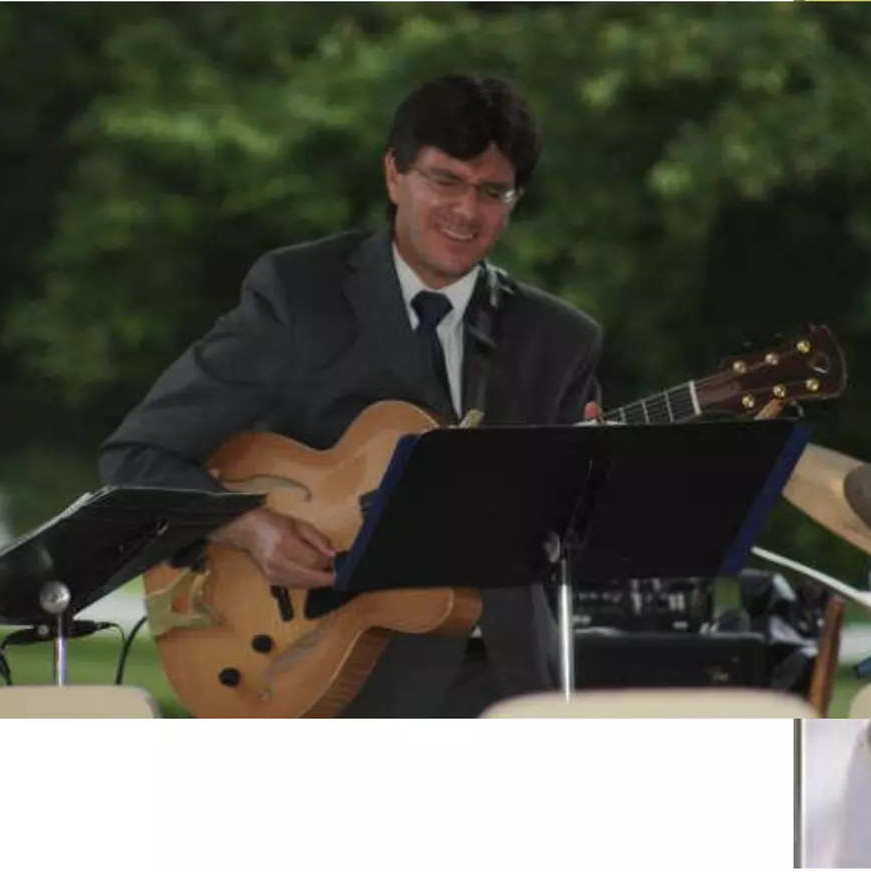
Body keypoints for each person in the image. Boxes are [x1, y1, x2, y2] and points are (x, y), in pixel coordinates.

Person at [101, 73, 603, 716]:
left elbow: (576, 540)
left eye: (492, 191)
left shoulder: (560, 340)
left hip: (510, 689)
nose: (467, 211)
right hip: (328, 677)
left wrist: (591, 482)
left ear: (515, 199)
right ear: (394, 175)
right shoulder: (297, 294)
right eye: (445, 180)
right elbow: (138, 455)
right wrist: (247, 526)